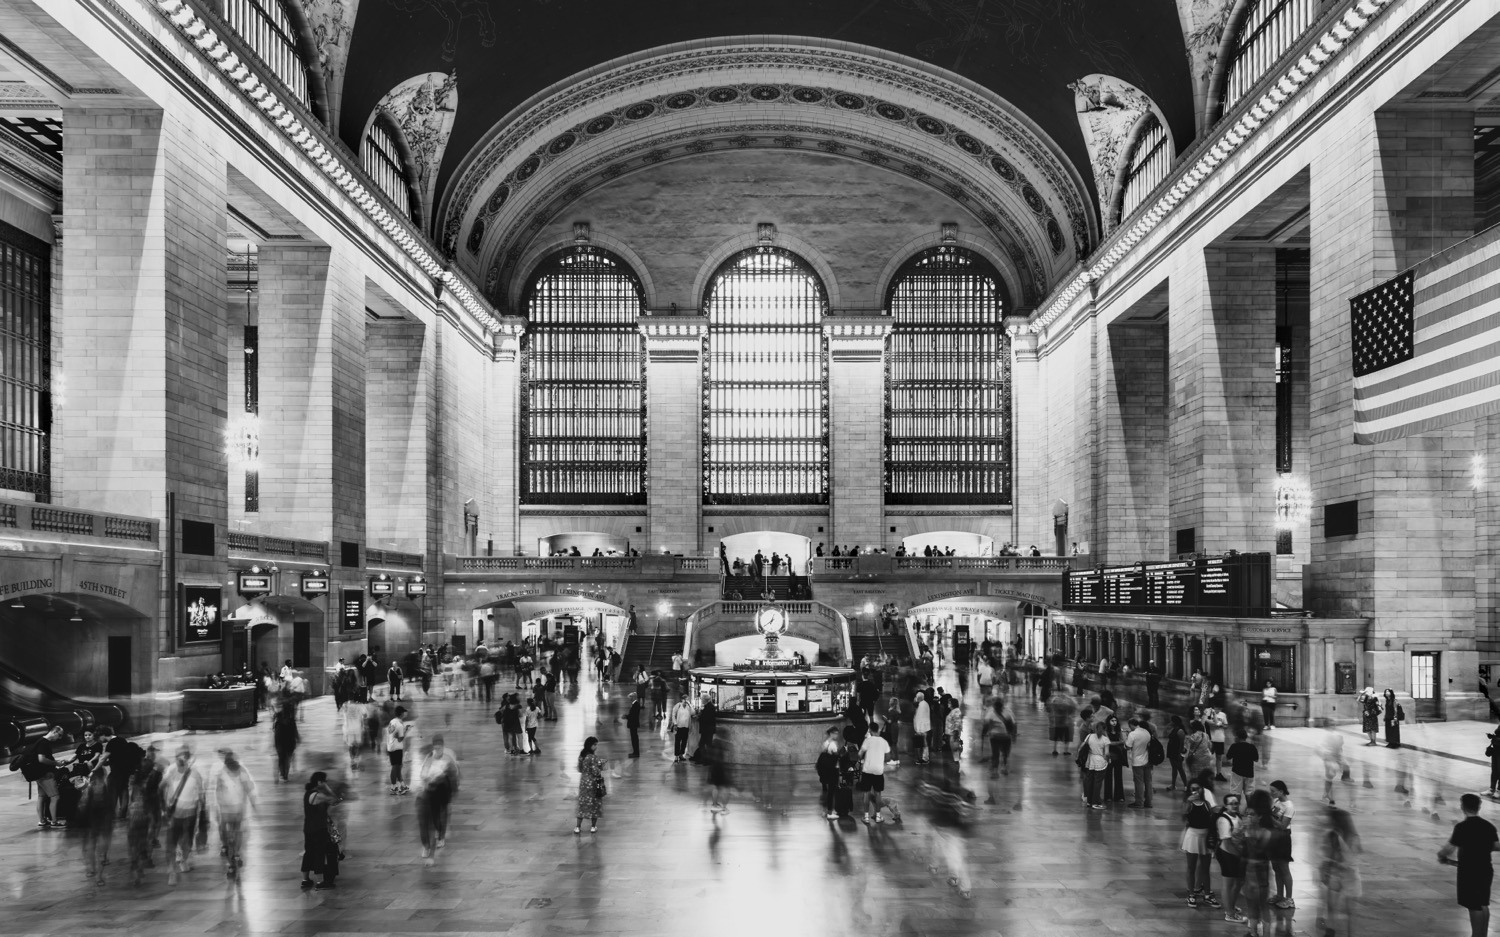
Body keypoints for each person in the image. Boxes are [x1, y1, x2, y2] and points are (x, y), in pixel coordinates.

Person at [1442, 793, 1500, 937]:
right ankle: (1483, 934)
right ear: (1478, 807)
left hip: (1469, 871)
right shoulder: (1488, 826)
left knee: (1474, 906)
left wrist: (1441, 856)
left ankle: (1476, 935)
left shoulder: (1462, 827)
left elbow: (1449, 849)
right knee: (1483, 903)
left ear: (1463, 806)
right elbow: (1497, 846)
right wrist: (1483, 847)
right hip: (1486, 869)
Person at [159, 745, 206, 885]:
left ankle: (184, 859)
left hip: (190, 812)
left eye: (184, 756)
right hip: (174, 813)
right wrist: (163, 808)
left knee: (187, 839)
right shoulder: (170, 771)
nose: (181, 758)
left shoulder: (195, 774)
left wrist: (203, 809)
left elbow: (201, 794)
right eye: (178, 755)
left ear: (188, 758)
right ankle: (171, 872)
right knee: (171, 843)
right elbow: (160, 788)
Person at [210, 748, 257, 880]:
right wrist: (253, 804)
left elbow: (218, 793)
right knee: (235, 835)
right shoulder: (238, 771)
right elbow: (249, 788)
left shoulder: (224, 773)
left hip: (230, 811)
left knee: (232, 837)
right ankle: (235, 856)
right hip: (232, 811)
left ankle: (232, 862)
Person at [416, 735, 460, 859]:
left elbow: (454, 774)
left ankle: (441, 836)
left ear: (443, 747)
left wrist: (453, 790)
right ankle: (435, 834)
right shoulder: (429, 759)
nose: (438, 750)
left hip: (444, 792)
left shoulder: (448, 759)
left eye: (440, 747)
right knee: (435, 815)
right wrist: (427, 778)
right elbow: (423, 774)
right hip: (431, 793)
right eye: (436, 748)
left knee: (442, 815)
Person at [1321, 807, 1362, 937]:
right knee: (1331, 906)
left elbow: (1349, 860)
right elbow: (1326, 853)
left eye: (1332, 821)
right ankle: (1330, 931)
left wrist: (1339, 839)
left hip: (1351, 877)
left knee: (1351, 912)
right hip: (1335, 874)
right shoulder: (1330, 835)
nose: (1330, 824)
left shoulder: (1353, 838)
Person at [1181, 780, 1220, 908]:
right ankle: (1191, 894)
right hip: (1192, 835)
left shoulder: (1207, 804)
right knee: (1191, 867)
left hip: (1205, 835)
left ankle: (1207, 894)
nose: (1196, 791)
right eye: (1193, 788)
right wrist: (1188, 801)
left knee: (1205, 868)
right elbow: (1183, 816)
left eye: (1198, 788)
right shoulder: (1189, 803)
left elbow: (1211, 819)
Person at [17, 726, 64, 828]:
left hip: (38, 774)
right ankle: (54, 822)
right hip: (44, 774)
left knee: (41, 797)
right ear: (54, 732)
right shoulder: (44, 743)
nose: (59, 738)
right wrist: (55, 763)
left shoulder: (40, 741)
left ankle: (42, 821)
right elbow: (41, 759)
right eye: (59, 735)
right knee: (55, 797)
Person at [300, 771, 341, 889]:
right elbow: (335, 800)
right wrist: (327, 788)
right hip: (319, 828)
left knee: (308, 853)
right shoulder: (318, 795)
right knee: (319, 854)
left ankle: (305, 879)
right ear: (319, 782)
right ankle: (320, 882)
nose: (326, 783)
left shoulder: (307, 793)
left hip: (308, 828)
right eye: (325, 781)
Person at [1215, 792, 1247, 924]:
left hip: (1236, 853)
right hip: (1227, 854)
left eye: (1236, 803)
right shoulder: (1223, 820)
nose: (1234, 805)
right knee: (1228, 884)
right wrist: (1239, 855)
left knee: (1238, 881)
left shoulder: (1237, 816)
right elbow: (1227, 842)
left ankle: (1231, 906)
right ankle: (1229, 913)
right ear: (1225, 805)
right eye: (1231, 803)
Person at [858, 718, 892, 823]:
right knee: (878, 794)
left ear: (870, 730)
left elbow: (859, 755)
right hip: (878, 771)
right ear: (877, 730)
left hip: (867, 770)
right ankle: (878, 816)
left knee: (866, 794)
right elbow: (888, 757)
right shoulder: (884, 742)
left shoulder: (867, 740)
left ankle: (866, 817)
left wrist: (863, 758)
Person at [1269, 779, 1296, 909]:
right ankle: (1279, 895)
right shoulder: (1276, 802)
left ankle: (1289, 898)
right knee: (1276, 867)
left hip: (1283, 838)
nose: (1271, 793)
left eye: (1273, 791)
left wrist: (1269, 818)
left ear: (1281, 791)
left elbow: (1283, 825)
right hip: (1274, 837)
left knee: (1284, 868)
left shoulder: (1289, 806)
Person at [575, 737, 607, 834]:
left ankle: (577, 827)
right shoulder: (593, 757)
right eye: (594, 745)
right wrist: (601, 764)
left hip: (583, 783)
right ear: (590, 745)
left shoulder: (582, 756)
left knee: (582, 804)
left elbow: (580, 769)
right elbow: (596, 771)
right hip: (593, 783)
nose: (596, 747)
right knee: (594, 804)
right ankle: (593, 827)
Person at [982, 697, 1015, 778]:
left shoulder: (991, 713)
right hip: (1006, 737)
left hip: (995, 737)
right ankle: (1005, 768)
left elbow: (986, 725)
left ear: (994, 706)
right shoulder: (1008, 712)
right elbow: (1013, 724)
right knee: (1005, 753)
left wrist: (983, 733)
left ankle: (995, 771)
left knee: (995, 754)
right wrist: (1013, 735)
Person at [1224, 726, 1260, 800]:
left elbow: (1227, 757)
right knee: (1249, 792)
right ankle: (1250, 809)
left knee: (1236, 792)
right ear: (1246, 737)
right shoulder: (1252, 747)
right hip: (1249, 773)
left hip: (1237, 772)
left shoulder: (1234, 746)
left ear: (1237, 737)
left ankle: (1236, 809)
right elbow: (1256, 759)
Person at [1125, 716, 1153, 808]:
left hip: (1137, 761)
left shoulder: (1132, 734)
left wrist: (1127, 737)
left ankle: (1139, 802)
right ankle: (1149, 802)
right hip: (1147, 760)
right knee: (1148, 782)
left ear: (1131, 725)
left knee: (1139, 782)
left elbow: (1128, 747)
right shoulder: (1146, 732)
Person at [816, 727, 842, 819]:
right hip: (833, 770)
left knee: (829, 792)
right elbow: (837, 757)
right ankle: (830, 812)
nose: (837, 735)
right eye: (835, 733)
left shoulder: (825, 743)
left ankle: (829, 810)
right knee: (832, 792)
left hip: (827, 770)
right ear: (831, 733)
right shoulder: (833, 745)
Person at [1082, 722, 1110, 809]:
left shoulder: (1089, 736)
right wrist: (1107, 761)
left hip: (1090, 761)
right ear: (1105, 729)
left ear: (1095, 728)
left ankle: (1089, 802)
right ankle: (1096, 802)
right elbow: (1107, 753)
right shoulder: (1105, 739)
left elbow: (1083, 747)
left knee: (1089, 782)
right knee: (1097, 783)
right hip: (1100, 762)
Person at [385, 706, 411, 794]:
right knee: (396, 767)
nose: (405, 713)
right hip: (396, 747)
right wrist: (406, 730)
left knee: (398, 767)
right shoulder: (400, 725)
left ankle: (401, 785)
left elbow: (392, 733)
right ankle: (393, 787)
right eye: (404, 712)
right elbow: (400, 739)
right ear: (401, 713)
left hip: (390, 746)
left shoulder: (393, 721)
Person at [272, 705, 298, 782]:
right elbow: (295, 732)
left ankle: (284, 774)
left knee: (284, 758)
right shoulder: (282, 723)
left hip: (284, 743)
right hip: (286, 743)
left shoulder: (278, 723)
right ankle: (284, 774)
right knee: (285, 759)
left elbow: (276, 735)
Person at [1048, 692, 1076, 757]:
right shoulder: (1069, 701)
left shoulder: (1056, 701)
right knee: (1067, 738)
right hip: (1066, 722)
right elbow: (1073, 708)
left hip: (1057, 723)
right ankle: (1065, 751)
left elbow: (1050, 706)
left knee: (1056, 737)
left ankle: (1055, 750)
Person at [1166, 714, 1189, 792]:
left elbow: (1182, 743)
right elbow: (1166, 734)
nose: (1170, 722)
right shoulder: (1173, 729)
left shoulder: (1180, 730)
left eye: (1171, 721)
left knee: (1180, 768)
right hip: (1171, 751)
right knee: (1174, 768)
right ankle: (1173, 784)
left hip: (1177, 752)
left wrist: (1180, 754)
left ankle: (1186, 785)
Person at [670, 697, 694, 763]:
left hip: (686, 727)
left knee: (684, 742)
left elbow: (693, 713)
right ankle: (676, 755)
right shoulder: (678, 705)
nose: (686, 701)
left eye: (687, 699)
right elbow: (673, 714)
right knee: (677, 741)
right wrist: (675, 723)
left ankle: (681, 754)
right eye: (685, 699)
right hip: (678, 727)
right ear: (682, 699)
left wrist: (690, 705)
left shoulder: (688, 707)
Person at [913, 691, 932, 765]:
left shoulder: (921, 705)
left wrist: (918, 729)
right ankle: (924, 757)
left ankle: (925, 758)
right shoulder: (924, 704)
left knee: (924, 743)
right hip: (925, 727)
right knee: (924, 743)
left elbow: (919, 717)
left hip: (922, 728)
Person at [624, 693, 642, 758]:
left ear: (634, 697)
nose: (630, 699)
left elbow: (633, 715)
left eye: (631, 697)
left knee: (634, 739)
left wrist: (626, 716)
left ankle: (636, 753)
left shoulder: (636, 705)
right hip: (633, 724)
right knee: (634, 738)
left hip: (633, 724)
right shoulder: (635, 704)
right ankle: (635, 752)